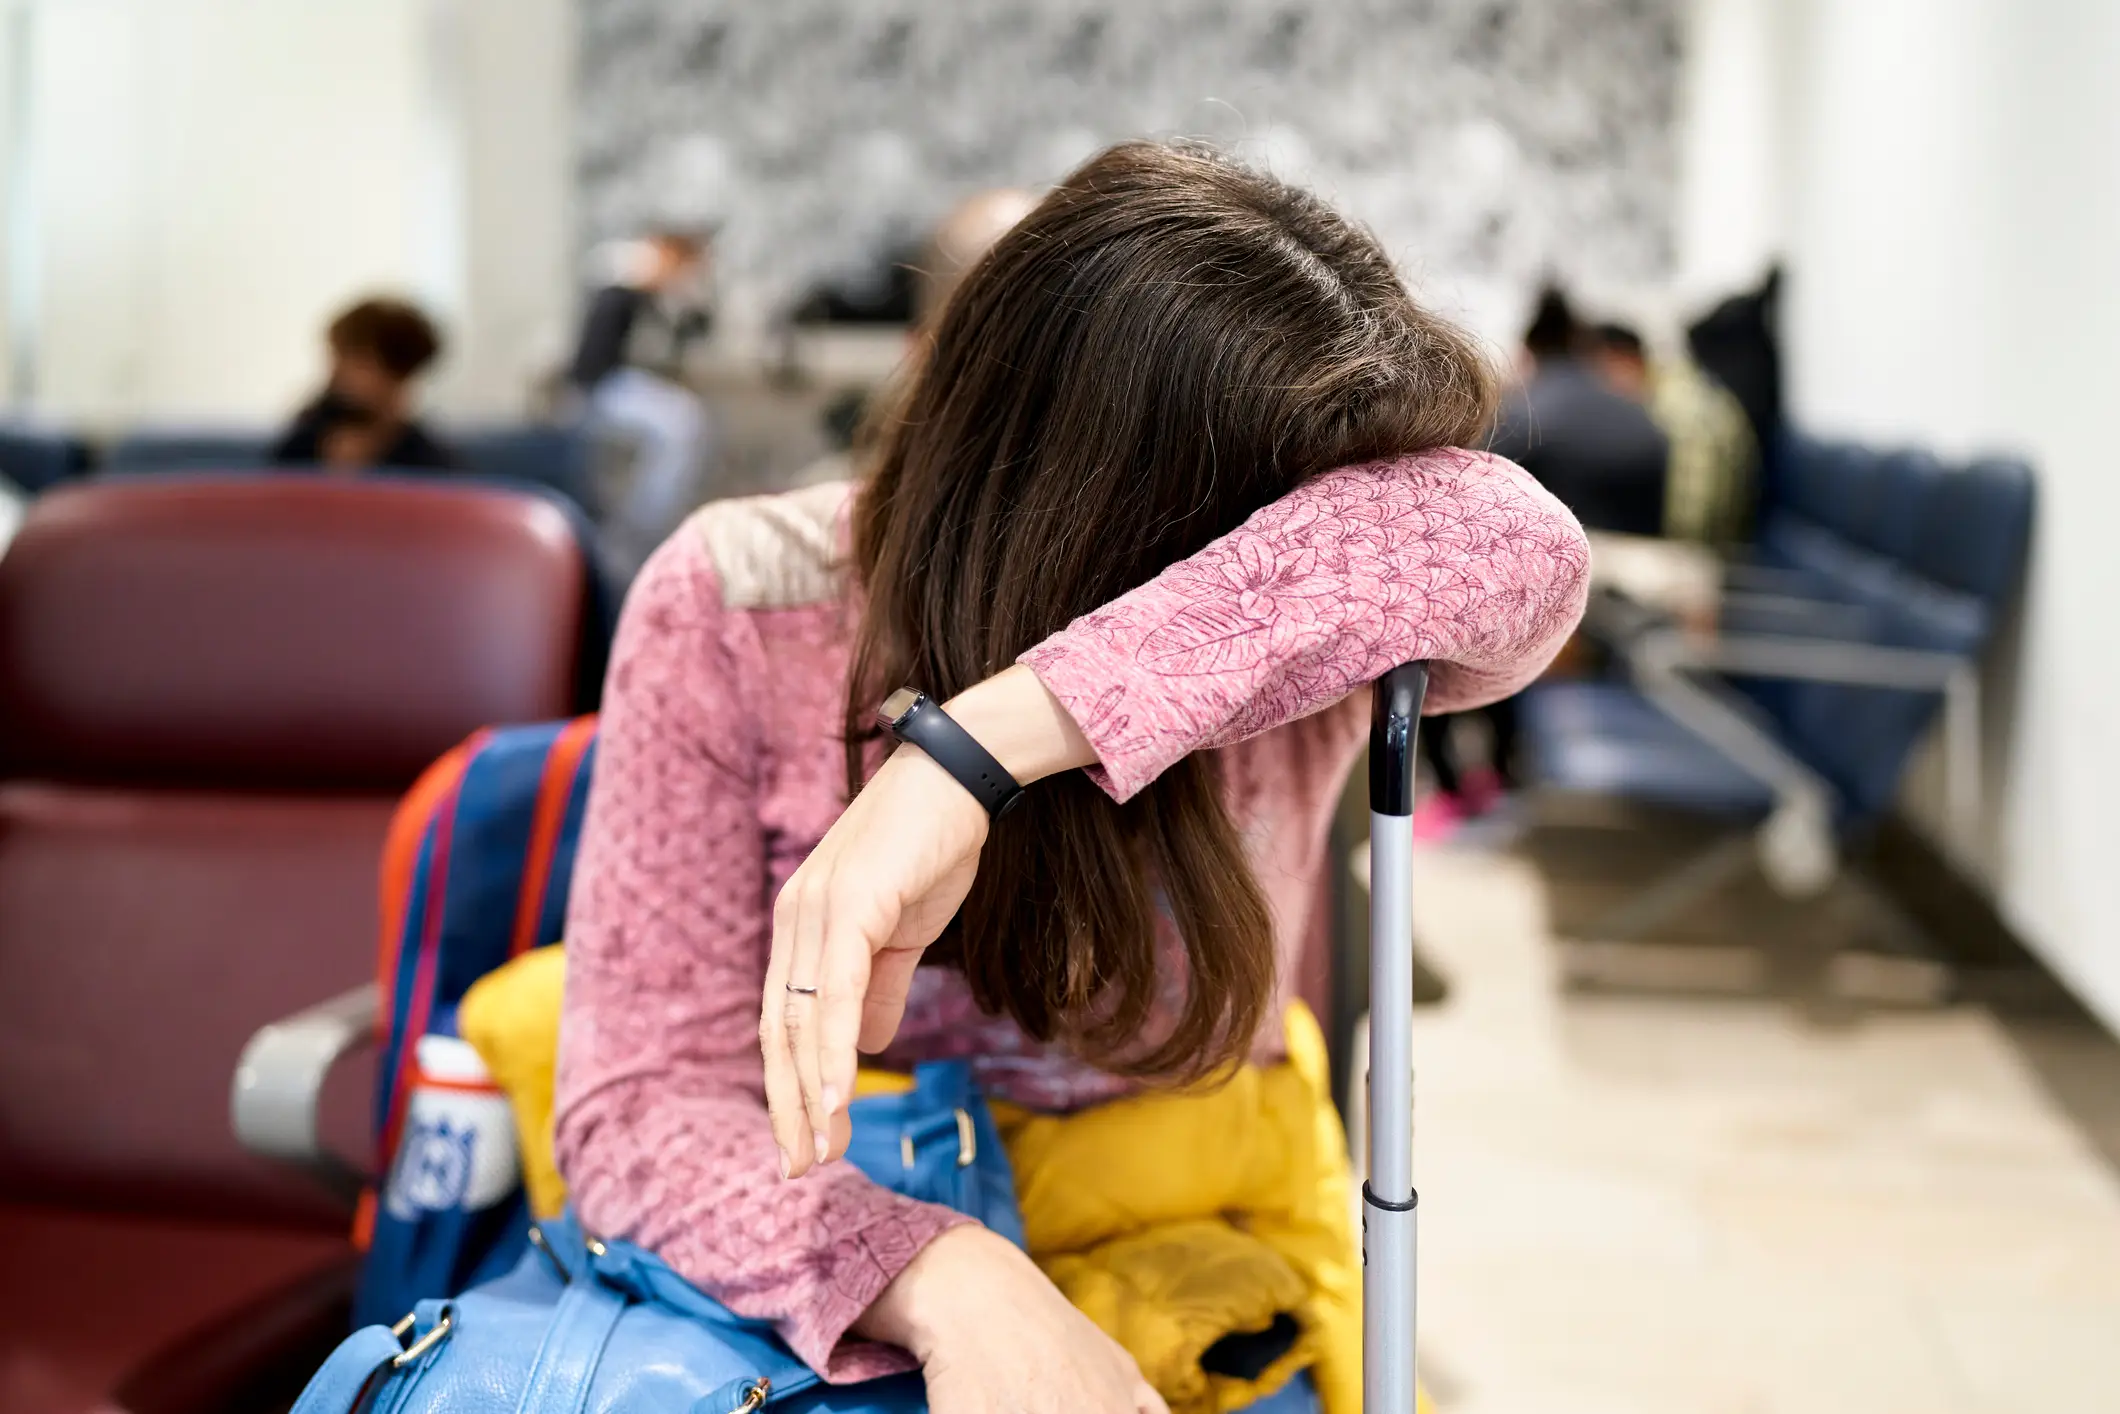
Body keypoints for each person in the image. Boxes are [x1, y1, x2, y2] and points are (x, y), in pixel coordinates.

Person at [554, 142, 1590, 1414]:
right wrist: (945, 1276)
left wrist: (973, 750)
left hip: (1192, 1238)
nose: (1285, 569)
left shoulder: (1310, 620)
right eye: (1256, 538)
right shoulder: (743, 598)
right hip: (830, 1249)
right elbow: (637, 1106)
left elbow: (1517, 542)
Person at [569, 228, 716, 565]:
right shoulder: (623, 281)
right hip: (598, 387)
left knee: (687, 420)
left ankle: (646, 523)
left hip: (606, 382)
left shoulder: (628, 287)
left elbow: (685, 329)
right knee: (685, 422)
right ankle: (641, 527)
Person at [1489, 286, 1670, 536]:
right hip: (1639, 559)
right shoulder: (1640, 417)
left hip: (1555, 557)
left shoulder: (1521, 415)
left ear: (1529, 350)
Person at [1590, 322, 1758, 547]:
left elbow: (1691, 520)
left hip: (1710, 556)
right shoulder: (1678, 392)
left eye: (1601, 375)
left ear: (1623, 360)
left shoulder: (1680, 410)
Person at [272, 298, 458, 473]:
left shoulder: (428, 458)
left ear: (397, 372)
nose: (337, 372)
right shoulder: (310, 434)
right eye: (337, 357)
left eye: (353, 360)